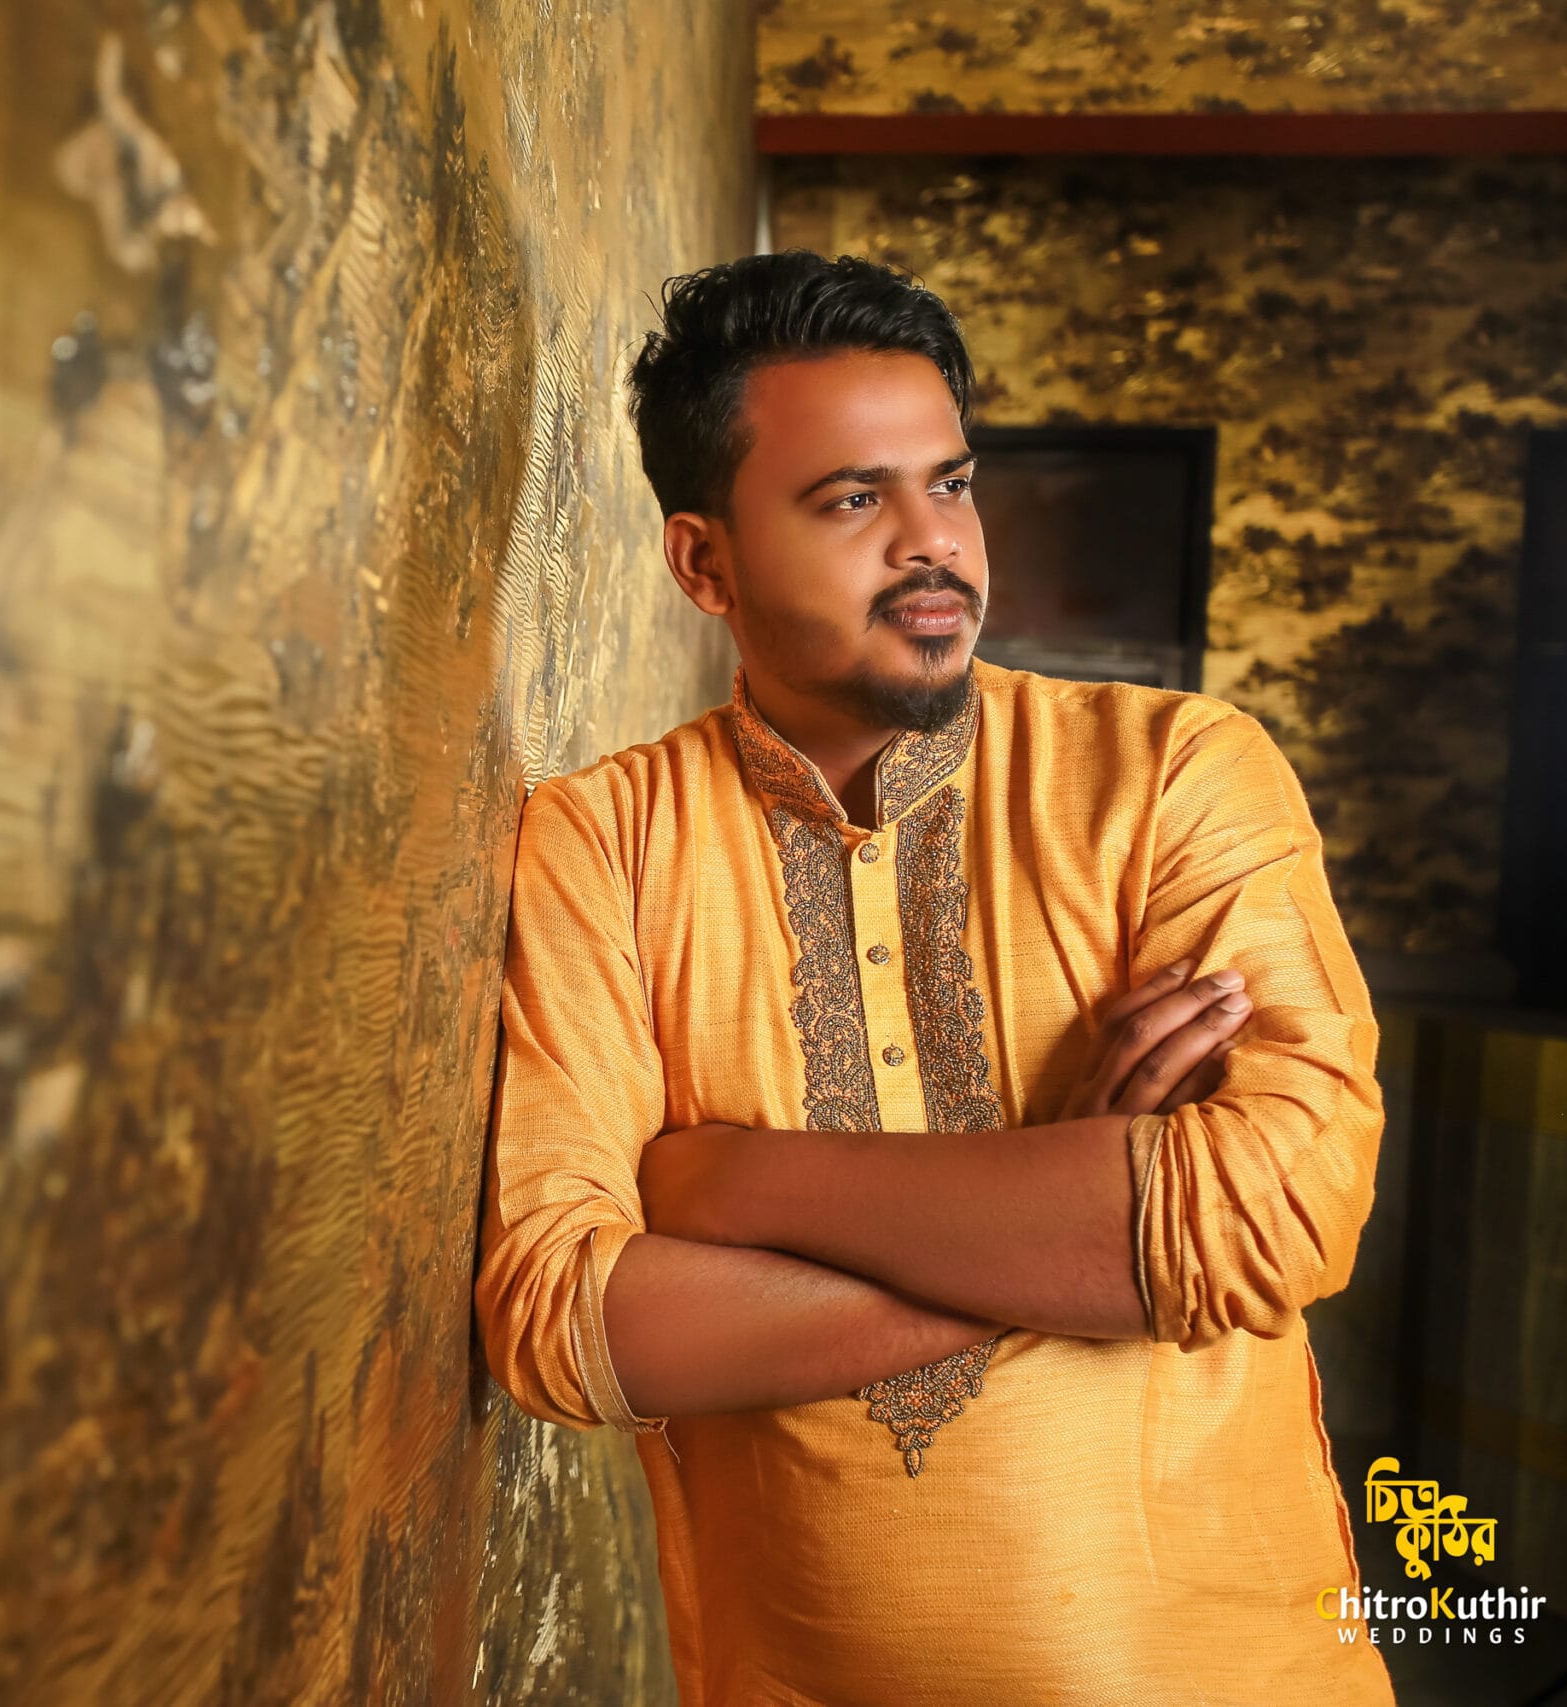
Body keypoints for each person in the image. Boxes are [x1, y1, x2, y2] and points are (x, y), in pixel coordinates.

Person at [472, 252, 1393, 1704]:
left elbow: (1272, 1217)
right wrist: (1058, 1220)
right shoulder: (609, 842)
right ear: (705, 563)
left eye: (951, 484)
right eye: (855, 500)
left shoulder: (1174, 775)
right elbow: (562, 1318)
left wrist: (728, 1183)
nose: (935, 545)